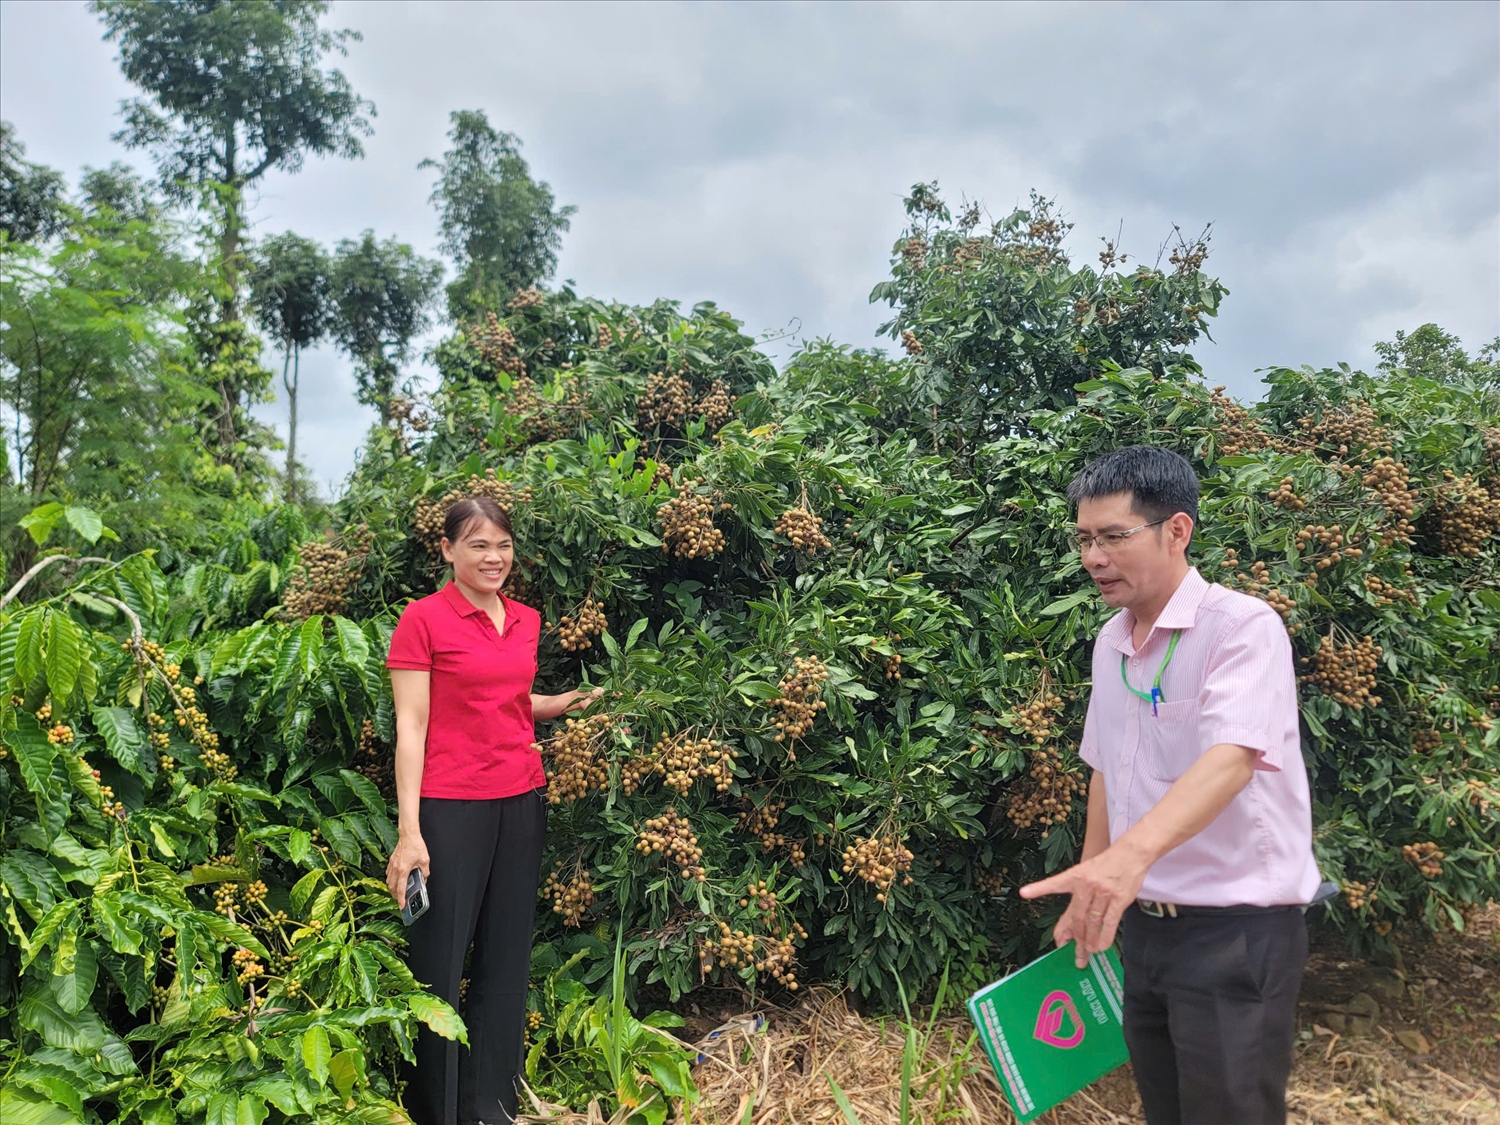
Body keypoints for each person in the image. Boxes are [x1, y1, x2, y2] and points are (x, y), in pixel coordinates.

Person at [1021, 445, 1321, 1125]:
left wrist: (1129, 858)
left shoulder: (1241, 628)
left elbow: (1232, 756)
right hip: (1147, 932)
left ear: (1176, 530)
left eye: (1113, 537)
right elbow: (1107, 761)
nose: (1093, 557)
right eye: (1084, 539)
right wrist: (1096, 877)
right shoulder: (1111, 641)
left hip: (1234, 934)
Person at [384, 496, 600, 1125]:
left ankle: (492, 1108)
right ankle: (437, 1111)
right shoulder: (422, 620)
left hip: (520, 799)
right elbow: (412, 723)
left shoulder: (526, 619)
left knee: (506, 960)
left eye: (502, 544)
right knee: (439, 966)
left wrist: (560, 703)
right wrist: (410, 833)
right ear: (448, 550)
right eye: (478, 545)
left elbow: (504, 698)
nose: (494, 557)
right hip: (450, 808)